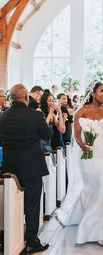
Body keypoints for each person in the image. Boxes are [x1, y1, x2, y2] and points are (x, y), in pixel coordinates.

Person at [56, 82, 103, 246]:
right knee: (92, 187)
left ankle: (101, 228)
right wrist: (82, 145)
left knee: (102, 184)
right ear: (93, 93)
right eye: (102, 91)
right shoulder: (82, 111)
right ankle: (86, 215)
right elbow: (76, 134)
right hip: (86, 153)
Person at [0, 84, 52, 254]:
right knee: (32, 204)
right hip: (32, 166)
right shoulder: (35, 116)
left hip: (9, 167)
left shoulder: (2, 117)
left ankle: (10, 238)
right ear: (26, 97)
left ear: (11, 98)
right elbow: (47, 135)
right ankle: (31, 241)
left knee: (10, 202)